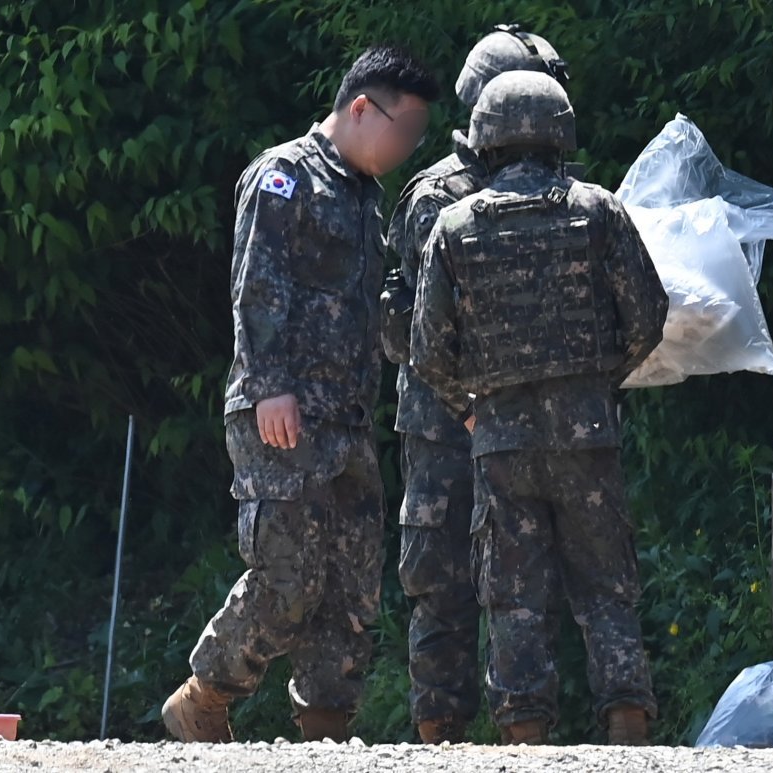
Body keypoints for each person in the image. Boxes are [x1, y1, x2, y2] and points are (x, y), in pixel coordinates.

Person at [160, 45, 439, 744]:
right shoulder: (286, 177)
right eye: (404, 131)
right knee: (287, 574)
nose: (407, 149)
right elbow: (257, 284)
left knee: (350, 586)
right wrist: (269, 387)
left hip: (344, 421)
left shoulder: (363, 198)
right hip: (281, 412)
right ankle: (204, 695)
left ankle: (326, 729)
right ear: (359, 109)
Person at [410, 70, 669, 745]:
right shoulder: (599, 210)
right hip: (587, 430)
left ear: (485, 141)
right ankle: (626, 717)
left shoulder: (453, 225)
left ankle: (523, 732)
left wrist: (471, 408)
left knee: (514, 594)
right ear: (561, 132)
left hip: (500, 440)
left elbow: (427, 350)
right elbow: (647, 315)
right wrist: (599, 380)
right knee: (606, 582)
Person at [380, 25, 570, 745]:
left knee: (526, 572)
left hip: (522, 421)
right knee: (442, 576)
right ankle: (441, 732)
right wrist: (462, 399)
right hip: (442, 423)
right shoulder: (438, 197)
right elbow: (403, 318)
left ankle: (526, 728)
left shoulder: (552, 191)